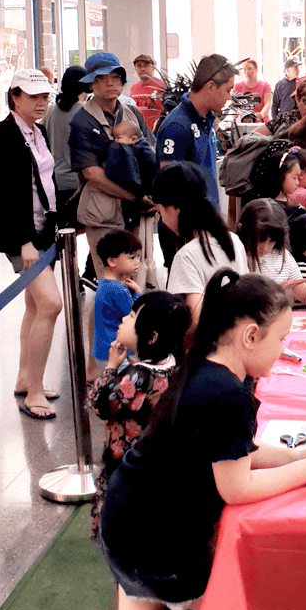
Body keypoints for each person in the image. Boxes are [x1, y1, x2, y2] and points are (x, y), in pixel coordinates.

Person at [98, 271, 306, 610]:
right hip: (159, 543)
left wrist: (296, 456)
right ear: (250, 336)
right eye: (281, 339)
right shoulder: (228, 394)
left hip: (127, 521)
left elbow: (232, 449)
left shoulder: (205, 366)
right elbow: (236, 487)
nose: (283, 349)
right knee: (232, 607)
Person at [89, 291, 192, 537]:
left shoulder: (135, 376)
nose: (124, 319)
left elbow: (99, 404)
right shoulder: (173, 363)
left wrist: (111, 367)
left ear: (151, 337)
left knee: (119, 528)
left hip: (124, 463)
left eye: (132, 316)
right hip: (154, 463)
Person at [0, 69, 62, 419]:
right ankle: (34, 391)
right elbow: (6, 196)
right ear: (15, 97)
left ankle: (26, 377)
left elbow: (46, 183)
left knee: (36, 306)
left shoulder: (37, 133)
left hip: (43, 231)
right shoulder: (4, 136)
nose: (41, 102)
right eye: (33, 96)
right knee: (51, 304)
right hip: (23, 236)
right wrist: (24, 241)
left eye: (45, 96)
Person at [70, 52, 154, 275]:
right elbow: (91, 173)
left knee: (138, 278)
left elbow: (149, 151)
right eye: (101, 78)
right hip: (103, 214)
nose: (110, 83)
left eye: (115, 77)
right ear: (90, 84)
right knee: (110, 281)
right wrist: (134, 198)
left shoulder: (131, 112)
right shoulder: (82, 121)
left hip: (136, 213)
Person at [156, 162, 247, 319]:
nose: (162, 220)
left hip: (207, 342)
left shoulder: (186, 256)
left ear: (173, 208)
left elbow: (193, 319)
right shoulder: (233, 240)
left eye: (160, 212)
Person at [157, 53, 236, 211]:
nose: (229, 97)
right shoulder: (176, 126)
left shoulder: (208, 119)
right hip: (187, 228)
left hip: (207, 222)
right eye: (228, 90)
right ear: (211, 87)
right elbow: (169, 187)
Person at [238, 198, 306, 303]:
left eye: (272, 241)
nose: (265, 247)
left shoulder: (283, 256)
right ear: (246, 233)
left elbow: (303, 296)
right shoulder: (239, 255)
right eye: (260, 240)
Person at [90, 230, 144, 381]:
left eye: (138, 257)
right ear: (112, 261)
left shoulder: (105, 281)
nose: (137, 262)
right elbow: (134, 315)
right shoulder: (118, 289)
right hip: (115, 352)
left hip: (103, 349)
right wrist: (138, 292)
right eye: (131, 258)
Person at [44, 65, 90, 227]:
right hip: (78, 184)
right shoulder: (86, 113)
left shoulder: (49, 112)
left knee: (60, 231)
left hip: (54, 181)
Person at [129, 55, 166, 130]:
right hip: (139, 133)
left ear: (153, 68)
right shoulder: (133, 88)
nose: (142, 69)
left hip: (156, 132)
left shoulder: (162, 86)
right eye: (139, 66)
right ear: (135, 69)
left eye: (146, 65)